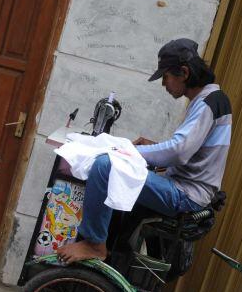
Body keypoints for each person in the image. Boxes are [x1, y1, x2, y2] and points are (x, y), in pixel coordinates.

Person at [57, 38, 232, 264]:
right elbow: (192, 150)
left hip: (186, 194)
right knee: (114, 166)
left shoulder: (209, 103)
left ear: (184, 73)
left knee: (105, 166)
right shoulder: (207, 100)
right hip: (184, 187)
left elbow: (180, 151)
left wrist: (128, 150)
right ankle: (109, 247)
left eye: (166, 77)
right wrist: (153, 146)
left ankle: (94, 243)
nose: (164, 84)